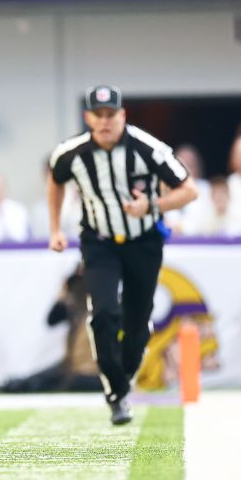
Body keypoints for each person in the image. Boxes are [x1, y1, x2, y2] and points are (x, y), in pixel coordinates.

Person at [47, 84, 197, 425]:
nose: (104, 122)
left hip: (142, 241)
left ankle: (123, 377)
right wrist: (55, 228)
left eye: (110, 114)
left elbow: (189, 190)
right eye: (97, 115)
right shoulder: (71, 154)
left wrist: (152, 204)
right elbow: (55, 180)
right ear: (87, 117)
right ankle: (115, 392)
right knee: (102, 313)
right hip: (99, 241)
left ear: (122, 115)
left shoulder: (148, 148)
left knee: (135, 324)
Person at [0, 263, 102, 394]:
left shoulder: (104, 309)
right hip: (72, 367)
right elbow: (52, 319)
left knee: (71, 382)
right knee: (38, 379)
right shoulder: (75, 309)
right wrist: (63, 294)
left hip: (93, 372)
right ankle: (3, 386)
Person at [162, 144, 214, 235]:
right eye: (182, 165)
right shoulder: (163, 192)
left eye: (190, 164)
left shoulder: (207, 189)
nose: (187, 169)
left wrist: (181, 228)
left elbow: (209, 221)